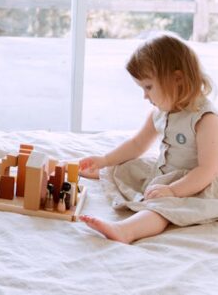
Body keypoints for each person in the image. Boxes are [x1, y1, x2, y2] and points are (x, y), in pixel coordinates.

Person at [78, 34, 218, 243]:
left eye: (148, 87)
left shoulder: (204, 118)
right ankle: (104, 173)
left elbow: (206, 170)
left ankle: (126, 230)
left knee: (163, 207)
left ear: (177, 79)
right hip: (165, 173)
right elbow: (137, 144)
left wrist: (173, 190)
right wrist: (105, 160)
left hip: (194, 184)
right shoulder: (161, 112)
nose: (145, 96)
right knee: (126, 166)